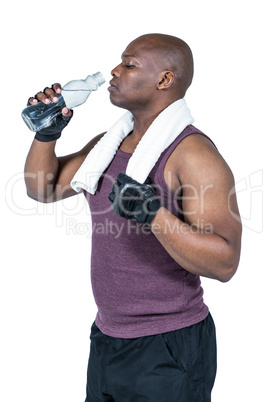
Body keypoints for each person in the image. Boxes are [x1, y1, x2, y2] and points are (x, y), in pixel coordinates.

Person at [24, 33, 242, 402]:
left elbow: (225, 263)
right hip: (107, 337)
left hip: (169, 344)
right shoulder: (106, 146)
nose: (114, 70)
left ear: (164, 80)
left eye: (129, 64)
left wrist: (153, 214)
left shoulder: (194, 155)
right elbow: (41, 189)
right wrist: (47, 135)